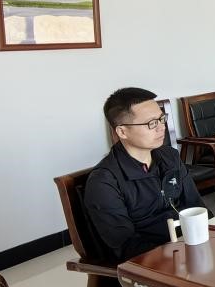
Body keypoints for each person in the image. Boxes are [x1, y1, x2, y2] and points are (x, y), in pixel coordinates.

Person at [83, 87, 202, 264]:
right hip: (153, 263)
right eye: (151, 123)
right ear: (122, 132)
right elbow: (127, 247)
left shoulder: (169, 157)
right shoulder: (104, 182)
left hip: (190, 246)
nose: (161, 127)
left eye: (161, 119)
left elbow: (196, 206)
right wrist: (177, 255)